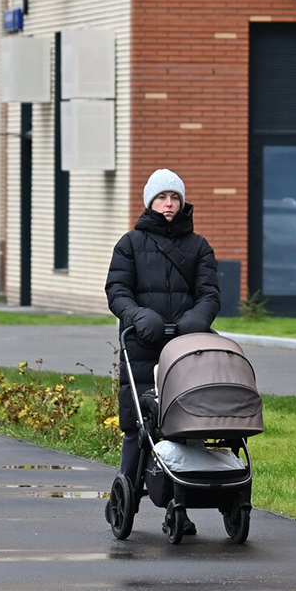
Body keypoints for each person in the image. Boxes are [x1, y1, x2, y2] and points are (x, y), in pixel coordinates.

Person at [104, 169, 220, 536]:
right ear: (150, 202)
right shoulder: (130, 244)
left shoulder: (199, 247)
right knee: (139, 425)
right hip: (143, 344)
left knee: (187, 423)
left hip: (186, 347)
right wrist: (138, 316)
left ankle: (180, 506)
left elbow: (210, 294)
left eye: (174, 199)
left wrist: (197, 319)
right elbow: (117, 290)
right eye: (162, 198)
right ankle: (126, 492)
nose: (169, 205)